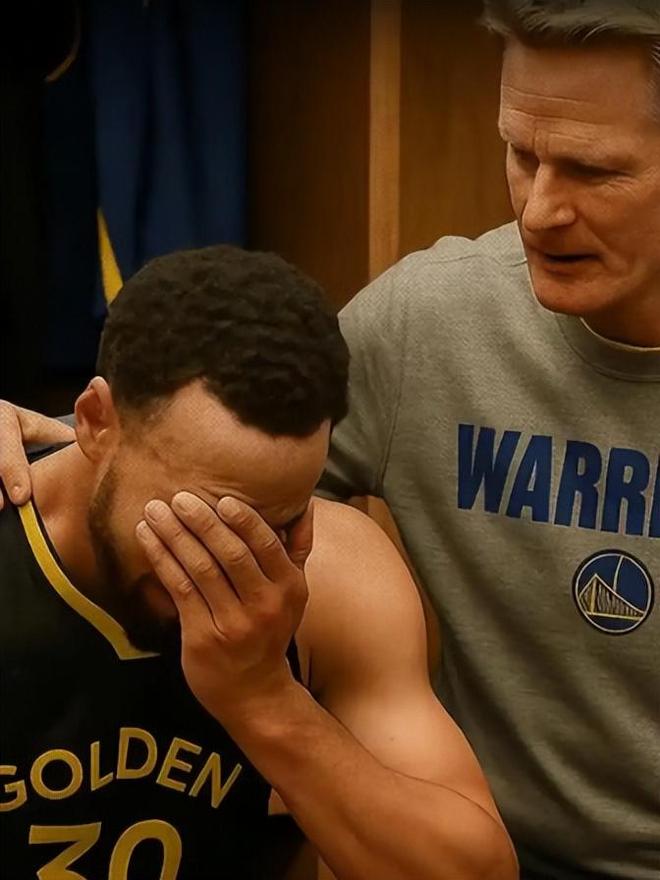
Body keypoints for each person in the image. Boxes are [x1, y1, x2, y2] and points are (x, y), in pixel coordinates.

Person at [2, 1, 659, 877]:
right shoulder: (430, 321)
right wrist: (31, 440)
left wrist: (263, 699)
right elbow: (208, 426)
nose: (539, 211)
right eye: (521, 155)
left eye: (593, 170)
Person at [0, 245, 516, 880]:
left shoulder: (333, 576)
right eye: (196, 521)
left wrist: (264, 699)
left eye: (277, 524)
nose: (227, 566)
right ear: (95, 423)